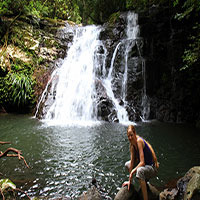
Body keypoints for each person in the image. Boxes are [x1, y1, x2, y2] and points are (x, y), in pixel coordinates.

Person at [122, 125, 159, 200]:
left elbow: (142, 162)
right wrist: (129, 181)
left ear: (135, 133)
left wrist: (133, 172)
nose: (130, 138)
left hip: (152, 168)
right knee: (128, 164)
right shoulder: (132, 146)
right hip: (145, 167)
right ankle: (143, 183)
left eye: (131, 135)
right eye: (128, 136)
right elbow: (132, 162)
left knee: (139, 171)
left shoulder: (139, 141)